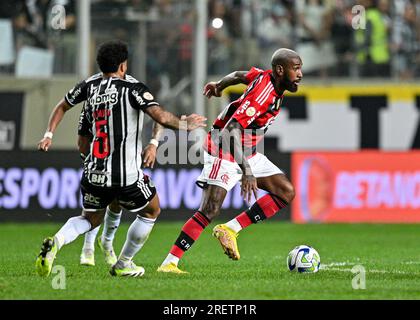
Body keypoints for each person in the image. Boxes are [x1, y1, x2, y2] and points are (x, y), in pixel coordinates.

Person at [35, 40, 206, 277]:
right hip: (126, 175)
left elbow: (64, 109)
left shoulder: (89, 86)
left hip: (95, 172)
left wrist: (48, 134)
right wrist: (186, 124)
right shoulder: (133, 88)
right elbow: (160, 116)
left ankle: (57, 240)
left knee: (90, 218)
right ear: (123, 66)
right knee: (151, 210)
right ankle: (124, 262)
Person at [158, 48, 302, 274]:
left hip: (246, 151)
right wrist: (247, 171)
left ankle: (230, 229)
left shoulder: (265, 78)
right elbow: (231, 130)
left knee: (285, 192)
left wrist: (218, 86)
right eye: (296, 69)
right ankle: (169, 263)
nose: (300, 74)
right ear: (280, 70)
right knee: (210, 208)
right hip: (223, 148)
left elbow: (237, 75)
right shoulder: (263, 94)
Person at [76, 105, 163, 267]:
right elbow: (83, 135)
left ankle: (107, 242)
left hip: (124, 162)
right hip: (99, 163)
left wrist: (153, 143)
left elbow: (160, 114)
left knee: (115, 202)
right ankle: (88, 248)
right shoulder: (92, 98)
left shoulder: (129, 92)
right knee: (96, 206)